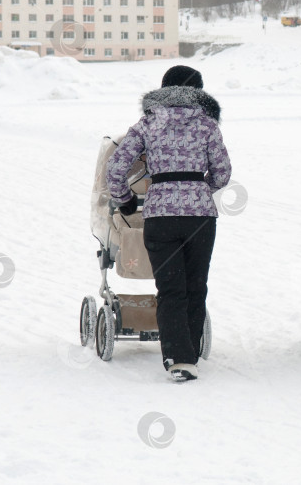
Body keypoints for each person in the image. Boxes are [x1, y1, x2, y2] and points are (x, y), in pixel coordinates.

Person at [108, 65, 231, 382]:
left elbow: (115, 168)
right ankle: (191, 352)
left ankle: (179, 358)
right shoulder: (207, 125)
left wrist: (124, 199)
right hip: (200, 218)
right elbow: (223, 172)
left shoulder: (147, 124)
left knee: (170, 289)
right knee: (196, 286)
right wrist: (202, 188)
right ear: (199, 92)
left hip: (160, 214)